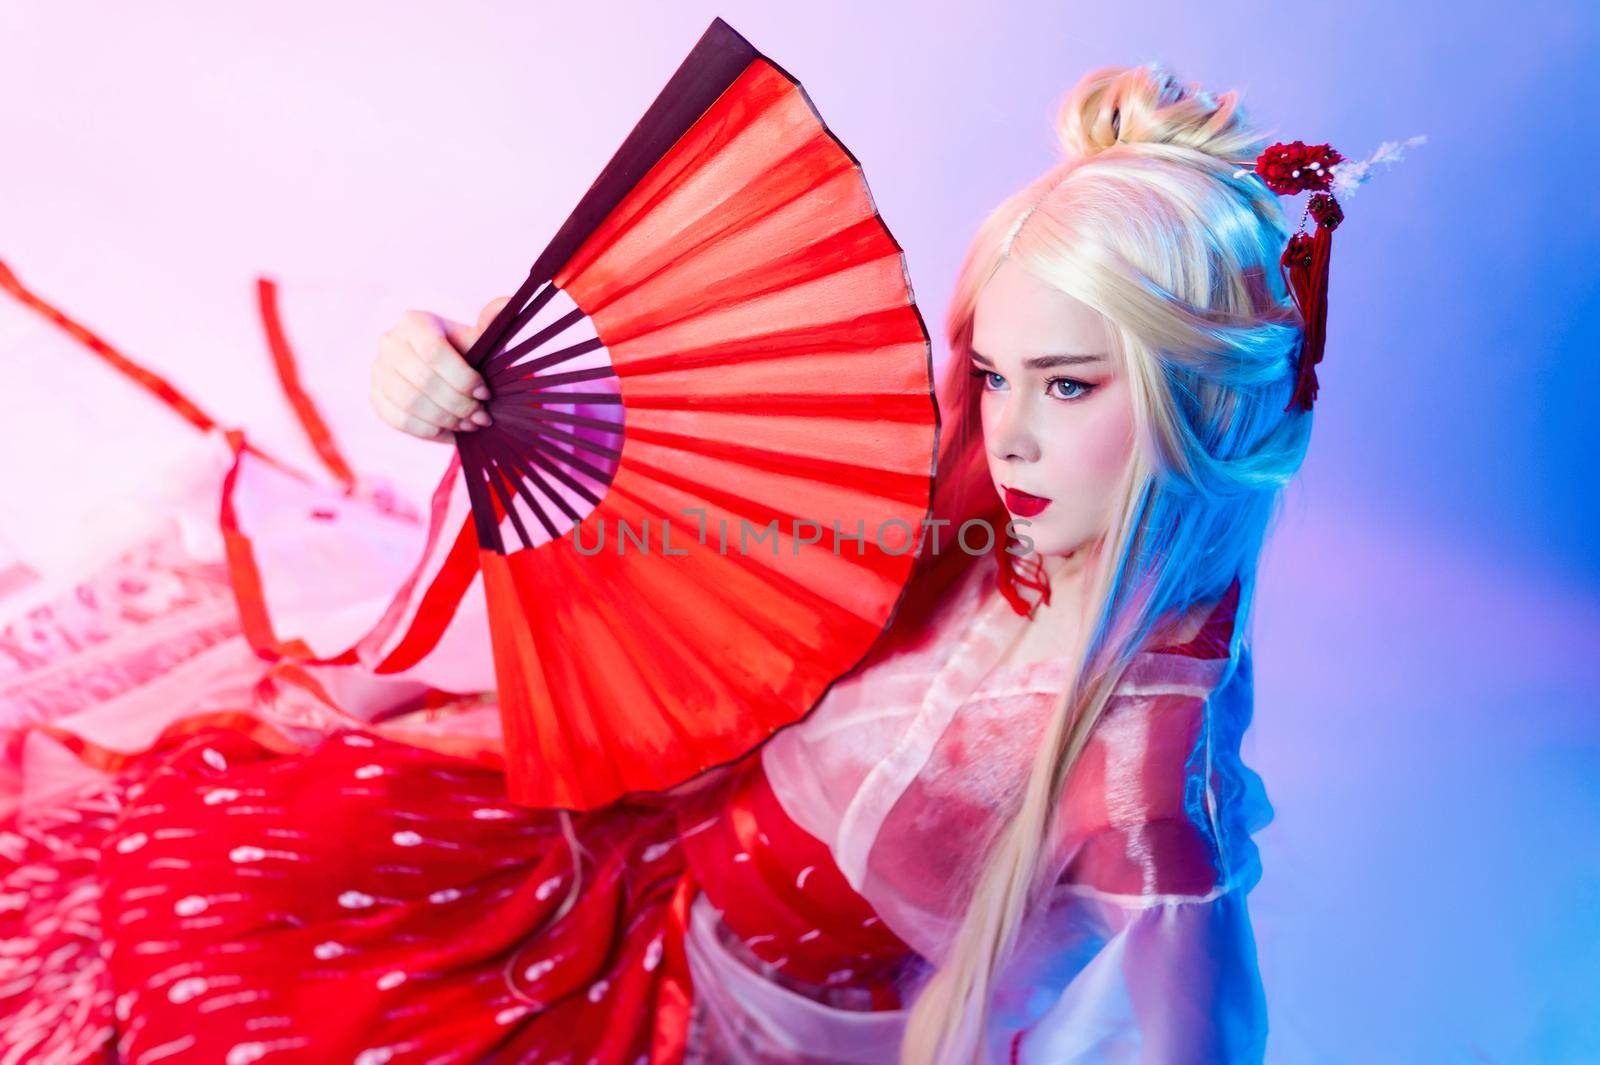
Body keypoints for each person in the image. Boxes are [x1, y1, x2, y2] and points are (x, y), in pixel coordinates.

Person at [0, 60, 1305, 1063]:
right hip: (617, 857)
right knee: (247, 849)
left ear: (1211, 409)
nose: (1012, 426)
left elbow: (1197, 1019)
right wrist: (469, 374)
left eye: (1070, 386)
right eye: (995, 370)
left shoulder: (1137, 779)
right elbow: (672, 462)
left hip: (711, 1025)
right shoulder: (966, 486)